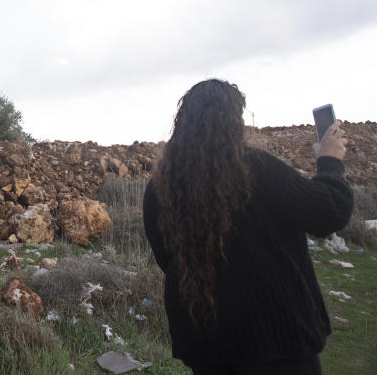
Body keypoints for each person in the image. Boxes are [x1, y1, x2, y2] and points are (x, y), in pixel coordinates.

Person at [143, 79, 354, 375]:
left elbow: (168, 260)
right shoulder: (258, 169)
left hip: (208, 346)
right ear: (233, 122)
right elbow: (329, 211)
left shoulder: (159, 188)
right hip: (279, 344)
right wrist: (330, 163)